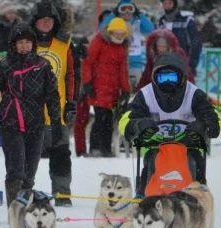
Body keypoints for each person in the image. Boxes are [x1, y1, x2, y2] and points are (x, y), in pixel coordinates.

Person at [119, 52, 221, 195]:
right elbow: (126, 121)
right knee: (150, 164)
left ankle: (198, 196)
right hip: (156, 144)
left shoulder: (194, 94)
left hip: (188, 144)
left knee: (196, 163)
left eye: (172, 77)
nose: (168, 82)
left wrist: (203, 126)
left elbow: (213, 118)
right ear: (155, 78)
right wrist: (139, 125)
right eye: (163, 78)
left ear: (181, 78)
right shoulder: (145, 95)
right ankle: (144, 197)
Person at [0, 24, 61, 207]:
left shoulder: (43, 66)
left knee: (29, 173)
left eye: (28, 42)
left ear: (34, 44)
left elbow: (52, 94)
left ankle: (25, 207)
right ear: (13, 44)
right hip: (10, 123)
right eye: (21, 42)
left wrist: (56, 119)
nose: (25, 46)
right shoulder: (5, 65)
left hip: (36, 124)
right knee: (16, 171)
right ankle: (15, 210)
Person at [30, 0, 76, 207]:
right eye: (42, 20)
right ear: (35, 22)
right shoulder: (24, 42)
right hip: (30, 112)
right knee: (28, 157)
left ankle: (62, 194)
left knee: (61, 155)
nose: (46, 24)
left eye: (50, 20)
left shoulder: (64, 43)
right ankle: (24, 193)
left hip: (57, 112)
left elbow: (71, 75)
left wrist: (72, 102)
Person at [82, 17, 131, 158]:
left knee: (109, 121)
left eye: (122, 34)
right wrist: (87, 83)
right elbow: (87, 62)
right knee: (100, 119)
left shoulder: (122, 48)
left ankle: (106, 149)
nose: (119, 36)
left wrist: (126, 90)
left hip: (113, 91)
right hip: (98, 88)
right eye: (117, 33)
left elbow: (123, 71)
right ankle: (95, 148)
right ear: (110, 33)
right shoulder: (99, 42)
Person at [99, 0, 155, 90]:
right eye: (123, 13)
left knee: (135, 89)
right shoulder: (116, 24)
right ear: (119, 13)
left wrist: (140, 15)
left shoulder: (138, 23)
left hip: (135, 62)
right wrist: (113, 14)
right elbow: (102, 28)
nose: (126, 16)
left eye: (129, 13)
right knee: (117, 89)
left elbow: (151, 29)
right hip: (118, 61)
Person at [157, 0, 202, 76]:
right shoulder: (162, 21)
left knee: (184, 86)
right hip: (165, 64)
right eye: (165, 3)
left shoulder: (185, 19)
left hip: (183, 63)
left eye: (170, 3)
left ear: (174, 4)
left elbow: (196, 42)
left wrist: (191, 64)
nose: (167, 6)